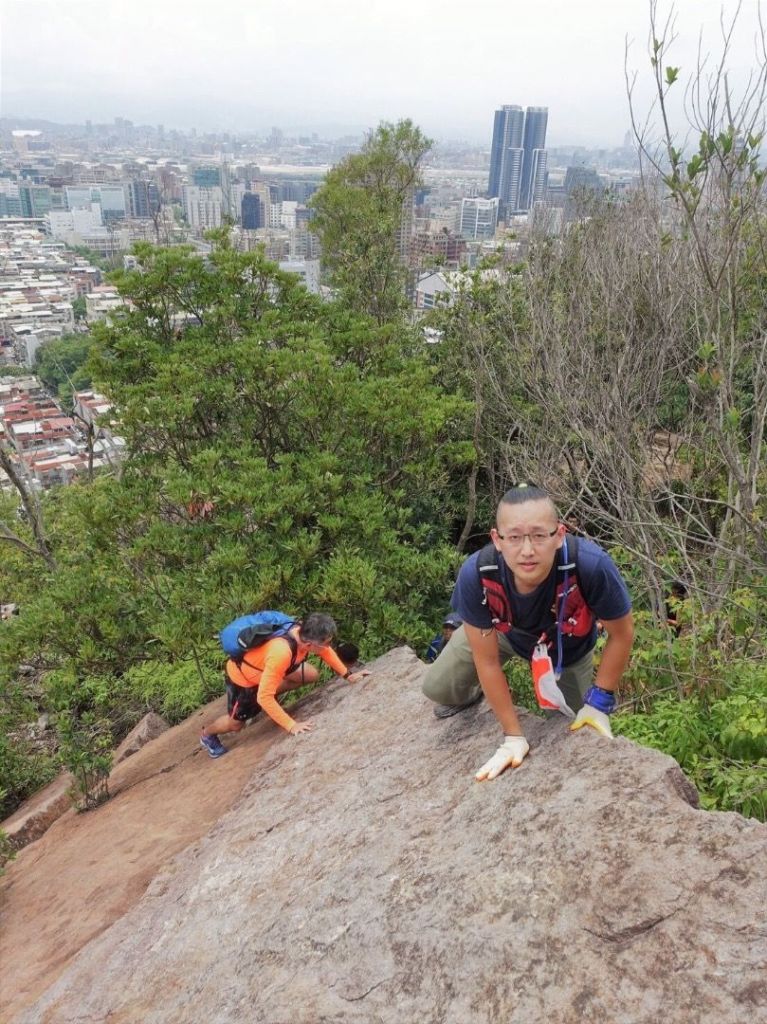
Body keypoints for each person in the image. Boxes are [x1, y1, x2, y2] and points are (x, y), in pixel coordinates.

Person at [422, 484, 634, 781]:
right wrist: (513, 735)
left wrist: (599, 701)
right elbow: (487, 661)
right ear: (497, 539)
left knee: (582, 733)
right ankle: (482, 693)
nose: (527, 550)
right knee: (438, 688)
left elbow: (622, 634)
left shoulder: (589, 565)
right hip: (502, 634)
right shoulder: (478, 573)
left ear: (559, 534)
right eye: (515, 537)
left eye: (538, 535)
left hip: (567, 649)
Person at [200, 612, 370, 758]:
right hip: (244, 679)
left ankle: (268, 691)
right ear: (310, 645)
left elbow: (325, 650)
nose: (328, 646)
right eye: (325, 642)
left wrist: (348, 675)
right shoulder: (281, 652)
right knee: (236, 725)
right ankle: (207, 735)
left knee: (310, 674)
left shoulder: (299, 632)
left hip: (270, 667)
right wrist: (292, 726)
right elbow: (264, 697)